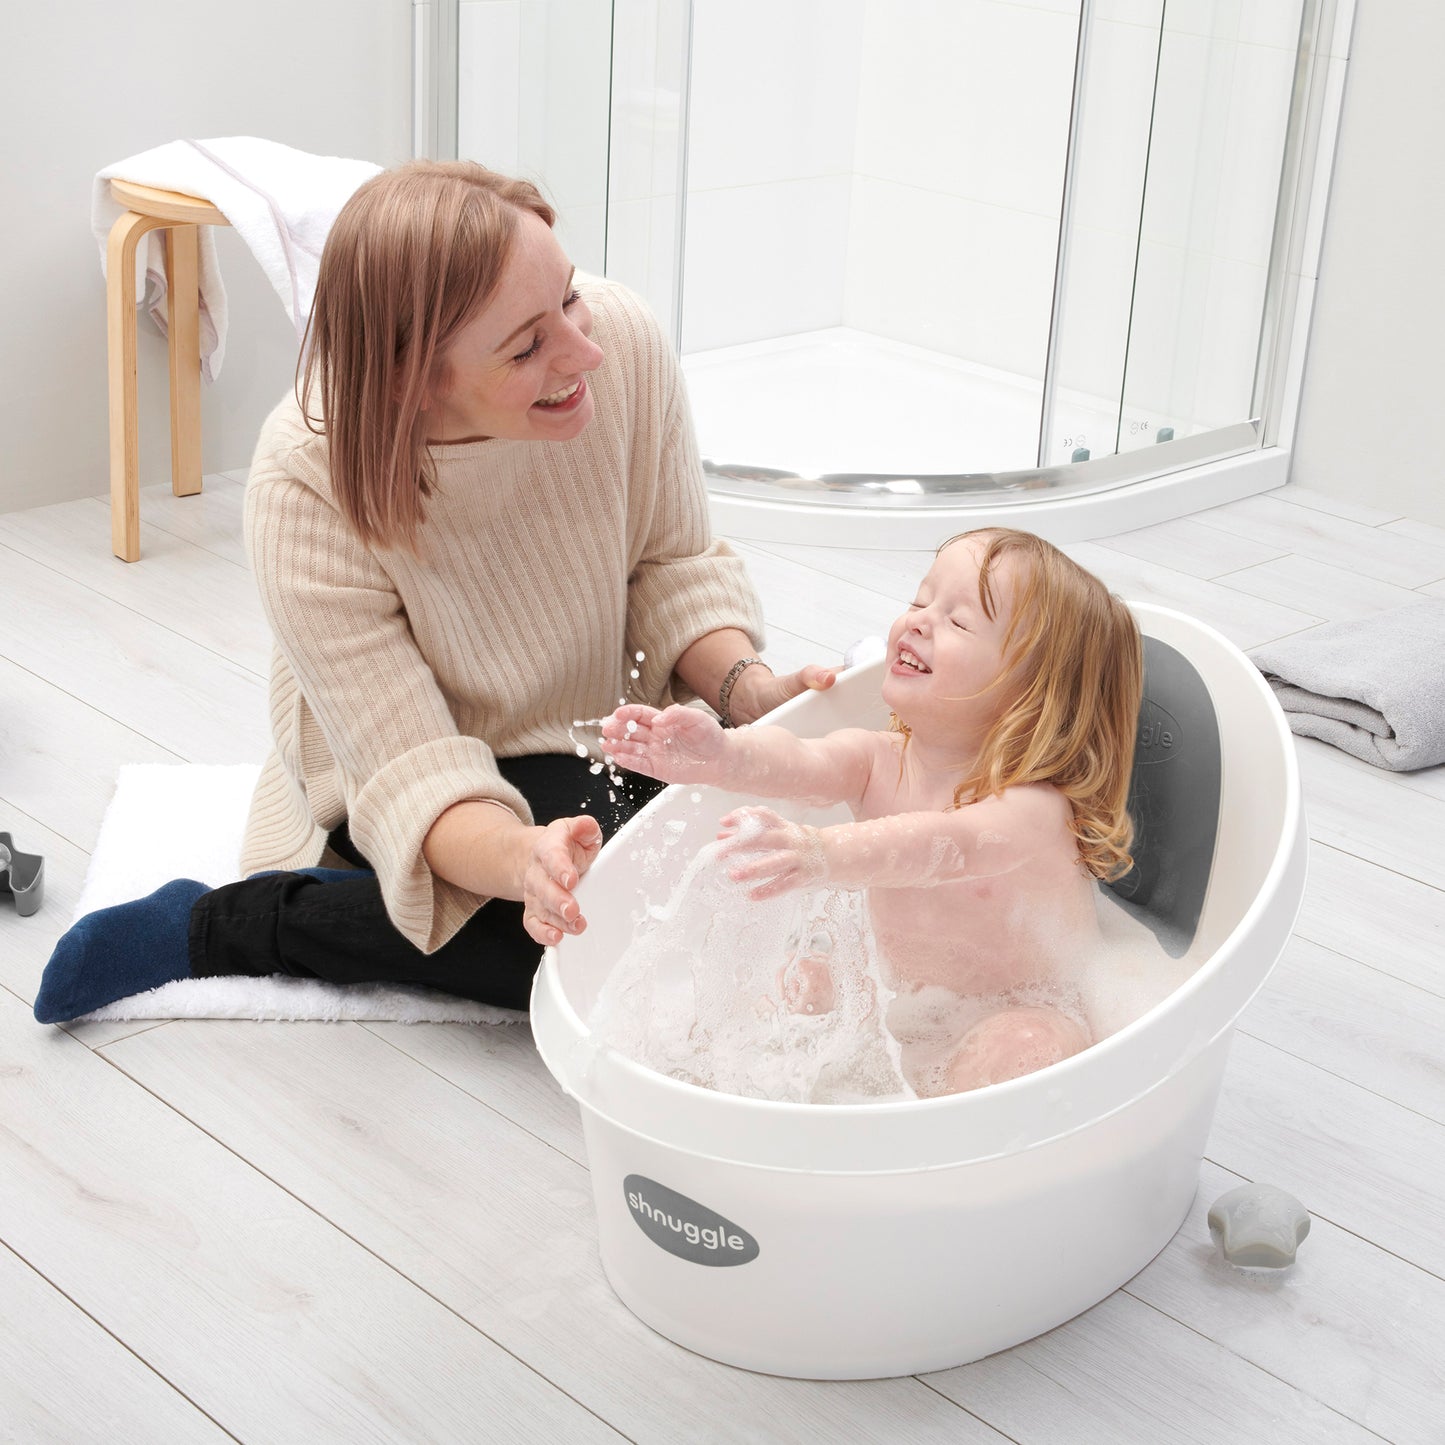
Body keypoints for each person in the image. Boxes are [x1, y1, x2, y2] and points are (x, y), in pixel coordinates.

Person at [33, 160, 834, 1025]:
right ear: (415, 381)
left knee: (761, 878)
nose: (584, 352)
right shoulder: (306, 481)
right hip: (418, 774)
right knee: (607, 942)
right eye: (527, 347)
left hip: (599, 735)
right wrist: (524, 860)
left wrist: (747, 690)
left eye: (568, 299)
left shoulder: (625, 344)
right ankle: (236, 923)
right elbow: (409, 767)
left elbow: (669, 566)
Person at [600, 528, 1143, 1096]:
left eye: (959, 622)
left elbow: (945, 844)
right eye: (919, 600)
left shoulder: (1034, 808)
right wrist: (723, 754)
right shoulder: (879, 757)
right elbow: (799, 758)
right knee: (792, 987)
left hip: (1019, 1008)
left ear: (1034, 693)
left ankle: (943, 1147)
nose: (919, 620)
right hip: (898, 995)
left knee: (1024, 1051)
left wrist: (824, 852)